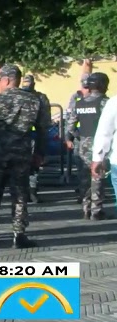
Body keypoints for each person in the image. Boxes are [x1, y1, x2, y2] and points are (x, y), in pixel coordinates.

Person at [0, 64, 49, 249]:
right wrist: (39, 153)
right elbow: (43, 130)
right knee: (19, 195)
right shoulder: (34, 101)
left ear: (6, 80)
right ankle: (18, 235)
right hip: (21, 155)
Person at [66, 72, 110, 220]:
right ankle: (96, 210)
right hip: (100, 144)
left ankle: (86, 208)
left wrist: (80, 137)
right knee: (98, 176)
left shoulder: (80, 103)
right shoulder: (105, 102)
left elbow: (70, 126)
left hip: (83, 144)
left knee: (84, 176)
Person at [20, 74, 51, 203]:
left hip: (31, 136)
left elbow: (44, 121)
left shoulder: (40, 98)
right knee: (26, 165)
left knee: (34, 165)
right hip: (24, 137)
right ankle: (27, 192)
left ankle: (30, 191)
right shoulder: (39, 98)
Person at [67, 59, 93, 195]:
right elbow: (69, 119)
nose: (86, 89)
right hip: (79, 137)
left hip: (91, 138)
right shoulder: (76, 97)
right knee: (81, 167)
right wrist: (70, 137)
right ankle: (85, 191)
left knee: (93, 168)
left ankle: (89, 194)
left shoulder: (98, 99)